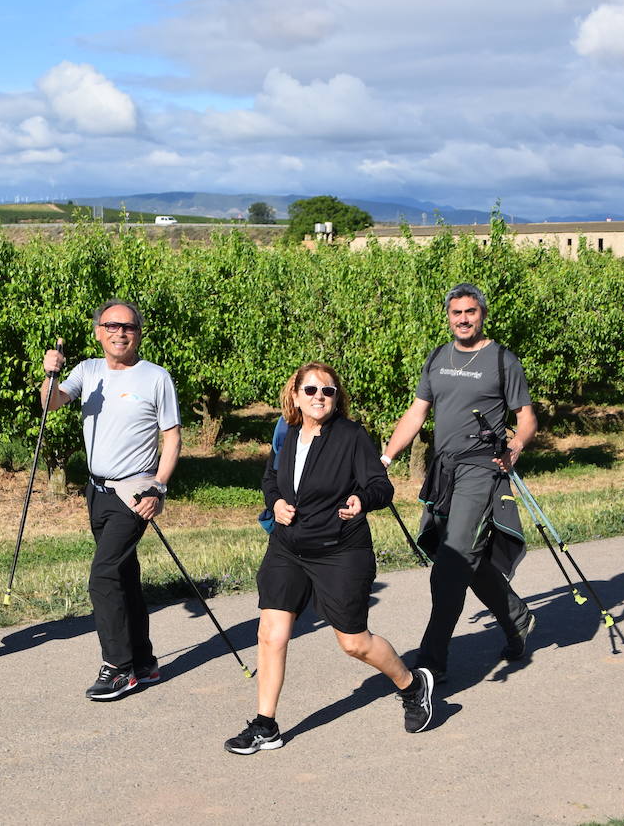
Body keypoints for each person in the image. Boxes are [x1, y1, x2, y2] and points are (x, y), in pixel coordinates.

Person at [225, 363, 434, 754]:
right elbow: (271, 478)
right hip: (288, 546)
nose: (319, 397)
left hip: (340, 550)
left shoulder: (351, 437)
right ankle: (265, 724)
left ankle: (412, 684)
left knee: (354, 643)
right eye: (310, 390)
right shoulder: (286, 432)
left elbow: (379, 486)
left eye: (328, 391)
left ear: (338, 398)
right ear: (295, 395)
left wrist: (362, 500)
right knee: (271, 634)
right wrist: (277, 502)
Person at [380, 283, 538, 680]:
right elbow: (416, 414)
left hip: (481, 468)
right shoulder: (437, 357)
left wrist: (516, 445)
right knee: (465, 554)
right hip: (444, 470)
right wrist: (385, 457)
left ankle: (431, 663)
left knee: (450, 564)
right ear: (448, 317)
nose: (463, 319)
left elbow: (526, 417)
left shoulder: (503, 360)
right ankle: (516, 617)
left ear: (482, 314)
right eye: (456, 313)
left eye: (470, 312)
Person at [42, 299, 181, 700]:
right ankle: (143, 661)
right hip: (96, 490)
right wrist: (50, 375)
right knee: (123, 576)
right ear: (98, 331)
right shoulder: (87, 370)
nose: (121, 333)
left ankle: (118, 668)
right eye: (112, 325)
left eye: (129, 327)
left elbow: (171, 437)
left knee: (103, 575)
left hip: (135, 492)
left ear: (139, 333)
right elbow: (49, 403)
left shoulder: (156, 377)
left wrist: (159, 487)